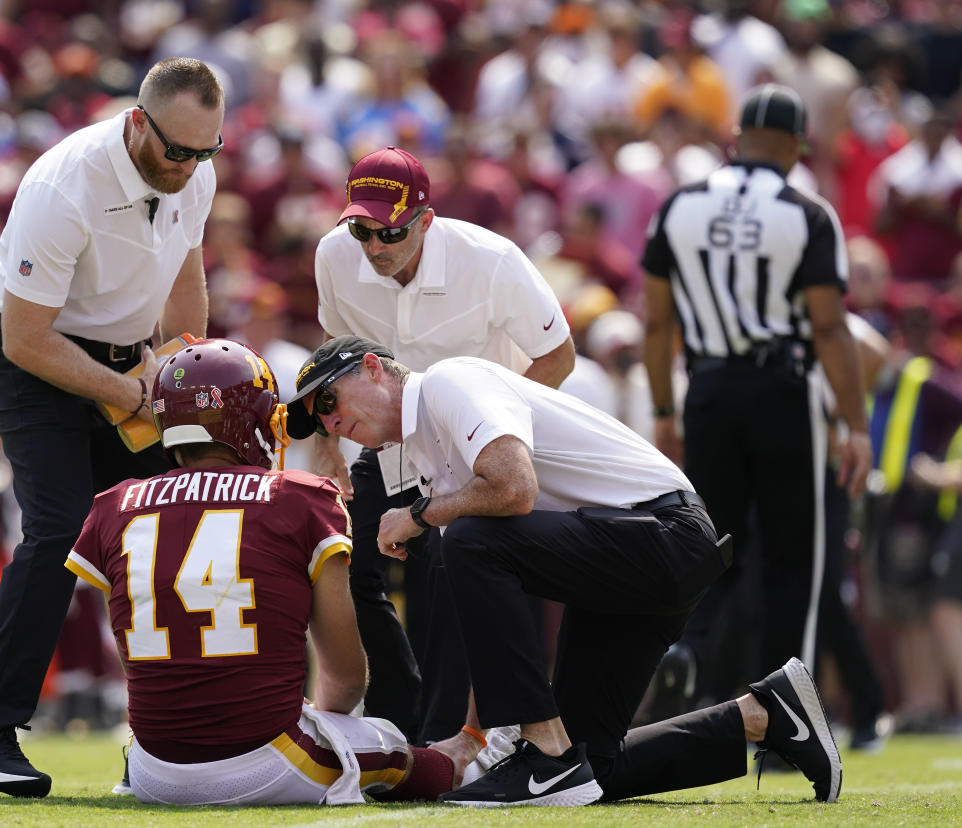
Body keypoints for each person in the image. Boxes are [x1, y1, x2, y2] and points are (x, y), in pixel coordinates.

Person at [285, 336, 842, 806]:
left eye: (330, 397)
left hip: (662, 533)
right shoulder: (427, 452)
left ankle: (545, 750)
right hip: (635, 553)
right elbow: (484, 603)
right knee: (593, 771)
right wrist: (472, 736)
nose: (332, 420)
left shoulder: (447, 382)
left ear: (376, 368)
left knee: (472, 544)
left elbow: (514, 489)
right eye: (319, 420)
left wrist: (419, 515)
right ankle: (766, 714)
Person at [0, 57, 223, 797]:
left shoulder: (193, 173)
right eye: (177, 150)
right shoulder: (64, 184)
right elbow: (27, 339)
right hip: (33, 356)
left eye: (205, 152)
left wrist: (180, 375)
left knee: (178, 525)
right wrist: (134, 396)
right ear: (137, 123)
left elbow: (187, 287)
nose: (189, 167)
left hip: (127, 361)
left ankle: (176, 737)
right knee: (60, 528)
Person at [67, 338, 461, 804]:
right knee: (401, 747)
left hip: (152, 768)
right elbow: (347, 678)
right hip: (270, 760)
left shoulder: (114, 506)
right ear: (250, 420)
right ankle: (471, 760)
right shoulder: (301, 497)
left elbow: (139, 653)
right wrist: (323, 718)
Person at [304, 145, 575, 746]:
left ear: (426, 220)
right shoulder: (334, 254)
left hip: (470, 448)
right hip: (388, 442)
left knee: (448, 585)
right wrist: (327, 447)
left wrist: (494, 434)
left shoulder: (492, 259)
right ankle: (397, 713)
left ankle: (440, 741)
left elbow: (558, 355)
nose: (374, 245)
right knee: (342, 568)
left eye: (389, 232)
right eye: (362, 229)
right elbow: (335, 341)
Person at [642, 84, 874, 708]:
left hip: (709, 387)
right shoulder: (807, 212)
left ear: (736, 137)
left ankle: (686, 656)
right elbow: (828, 326)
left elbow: (657, 322)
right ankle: (782, 710)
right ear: (798, 145)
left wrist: (665, 409)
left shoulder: (678, 205)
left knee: (712, 545)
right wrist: (855, 424)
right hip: (781, 388)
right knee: (791, 560)